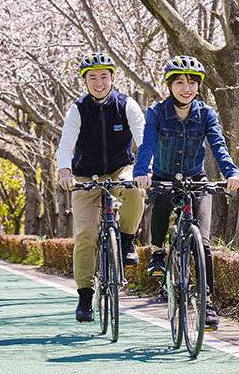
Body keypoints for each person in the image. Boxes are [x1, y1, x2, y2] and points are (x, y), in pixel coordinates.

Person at [133, 55, 239, 331]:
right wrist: (141, 172)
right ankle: (158, 252)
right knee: (162, 202)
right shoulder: (157, 112)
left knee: (202, 242)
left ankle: (206, 302)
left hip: (196, 179)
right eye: (179, 82)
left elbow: (218, 144)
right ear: (169, 85)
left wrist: (231, 172)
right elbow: (146, 145)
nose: (186, 88)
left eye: (192, 82)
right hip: (163, 177)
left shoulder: (206, 114)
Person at [55, 52, 147, 323]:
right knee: (85, 235)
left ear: (112, 78)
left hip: (121, 168)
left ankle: (128, 241)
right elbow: (65, 145)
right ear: (85, 81)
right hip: (85, 176)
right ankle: (85, 294)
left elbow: (143, 139)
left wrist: (145, 169)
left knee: (134, 190)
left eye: (103, 77)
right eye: (92, 78)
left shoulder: (126, 105)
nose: (98, 82)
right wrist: (64, 171)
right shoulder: (78, 109)